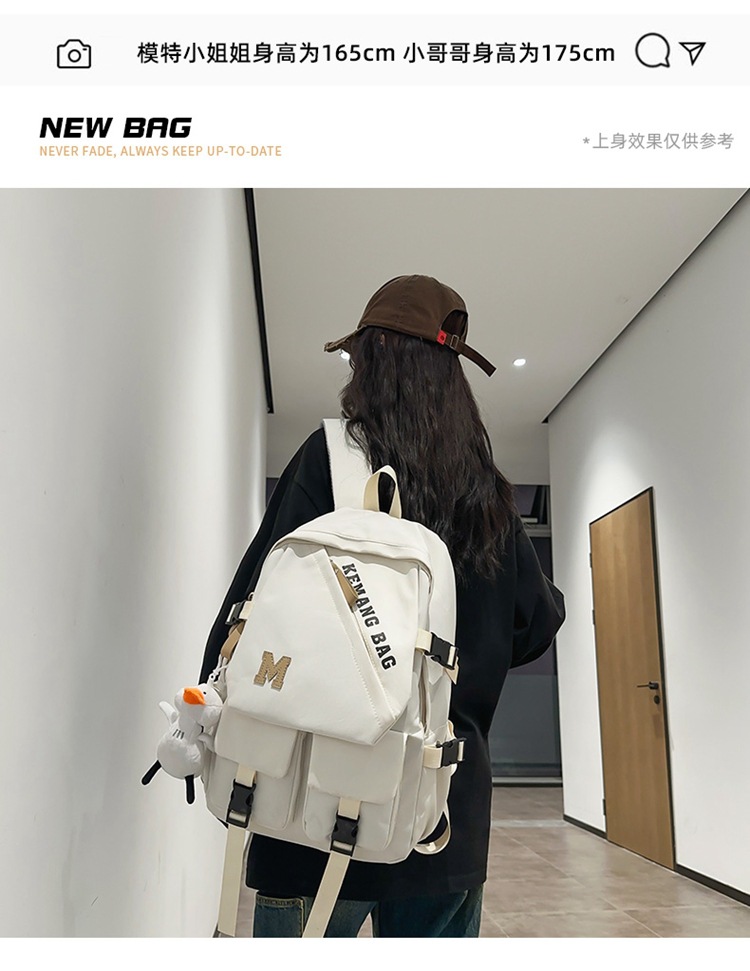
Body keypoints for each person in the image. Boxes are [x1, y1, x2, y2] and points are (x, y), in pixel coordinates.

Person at [199, 274, 566, 938]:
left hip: (310, 806)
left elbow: (250, 608)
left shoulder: (329, 461)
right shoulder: (485, 490)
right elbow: (535, 623)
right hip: (440, 816)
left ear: (372, 357)